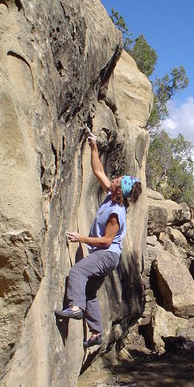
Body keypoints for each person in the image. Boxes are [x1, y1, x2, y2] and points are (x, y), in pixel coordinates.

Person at [55, 132, 142, 348]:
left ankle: (75, 308)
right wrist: (93, 146)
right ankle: (96, 333)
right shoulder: (110, 196)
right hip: (105, 255)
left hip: (107, 254)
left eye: (118, 181)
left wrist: (81, 238)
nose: (114, 179)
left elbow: (105, 241)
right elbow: (98, 170)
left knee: (77, 272)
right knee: (90, 292)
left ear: (120, 191)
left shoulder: (116, 213)